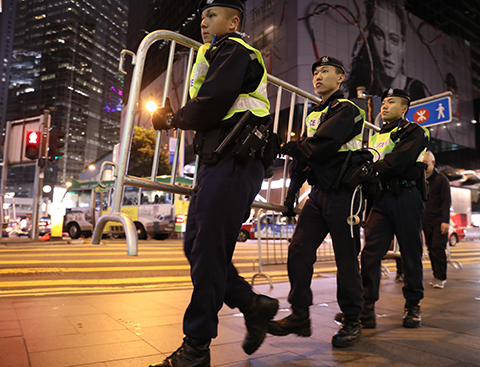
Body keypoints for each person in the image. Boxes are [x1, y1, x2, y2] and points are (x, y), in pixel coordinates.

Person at [149, 1, 278, 366]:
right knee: (197, 247)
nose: (204, 22)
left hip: (236, 158)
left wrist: (174, 119)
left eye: (212, 16)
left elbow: (214, 100)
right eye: (202, 16)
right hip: (217, 159)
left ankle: (197, 346)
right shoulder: (216, 53)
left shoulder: (236, 50)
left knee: (206, 248)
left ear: (233, 21)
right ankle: (253, 305)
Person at [267, 56, 366, 348]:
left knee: (346, 259)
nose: (318, 76)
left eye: (325, 71)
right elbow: (305, 159)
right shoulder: (314, 114)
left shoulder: (349, 110)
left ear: (340, 78)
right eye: (315, 72)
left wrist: (286, 146)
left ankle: (352, 319)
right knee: (298, 250)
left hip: (345, 195)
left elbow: (320, 146)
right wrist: (290, 196)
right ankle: (299, 314)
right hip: (319, 193)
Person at [360, 88, 429, 329]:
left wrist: (368, 171)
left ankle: (413, 306)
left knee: (411, 254)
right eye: (383, 103)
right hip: (382, 198)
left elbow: (398, 161)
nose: (384, 106)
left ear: (404, 108)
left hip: (407, 196)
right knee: (370, 252)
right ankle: (366, 308)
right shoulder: (378, 134)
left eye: (391, 102)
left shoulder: (416, 131)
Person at [346, 0, 427, 101]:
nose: (387, 50)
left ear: (402, 45)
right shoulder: (363, 88)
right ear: (370, 38)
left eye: (394, 40)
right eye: (379, 35)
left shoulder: (415, 89)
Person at [423, 150, 451, 289]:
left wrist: (445, 221)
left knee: (437, 249)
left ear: (433, 163)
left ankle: (440, 277)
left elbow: (446, 201)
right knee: (430, 249)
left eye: (426, 163)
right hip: (425, 220)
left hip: (439, 221)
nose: (424, 166)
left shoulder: (441, 180)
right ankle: (436, 275)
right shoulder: (421, 180)